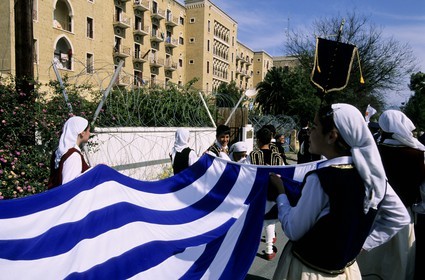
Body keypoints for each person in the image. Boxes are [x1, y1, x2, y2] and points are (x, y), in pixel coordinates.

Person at [268, 103, 410, 279]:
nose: (310, 132)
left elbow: (293, 229)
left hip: (309, 272)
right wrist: (360, 244)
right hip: (347, 272)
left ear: (331, 136)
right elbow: (400, 216)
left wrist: (281, 193)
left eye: (314, 127)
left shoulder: (321, 179)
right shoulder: (374, 178)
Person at [357, 109, 425, 280]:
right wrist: (416, 208)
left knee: (370, 264)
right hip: (403, 217)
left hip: (373, 216)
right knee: (398, 264)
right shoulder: (418, 154)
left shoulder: (373, 153)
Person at [248, 127, 284, 260]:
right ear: (270, 140)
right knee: (269, 222)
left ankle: (252, 248)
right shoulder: (277, 156)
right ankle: (269, 249)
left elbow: (247, 173)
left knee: (257, 220)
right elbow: (282, 173)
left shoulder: (253, 155)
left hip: (257, 192)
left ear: (257, 140)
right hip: (272, 191)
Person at [47, 116, 91, 189]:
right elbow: (69, 187)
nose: (89, 133)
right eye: (88, 130)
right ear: (82, 133)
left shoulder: (59, 151)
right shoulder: (73, 155)